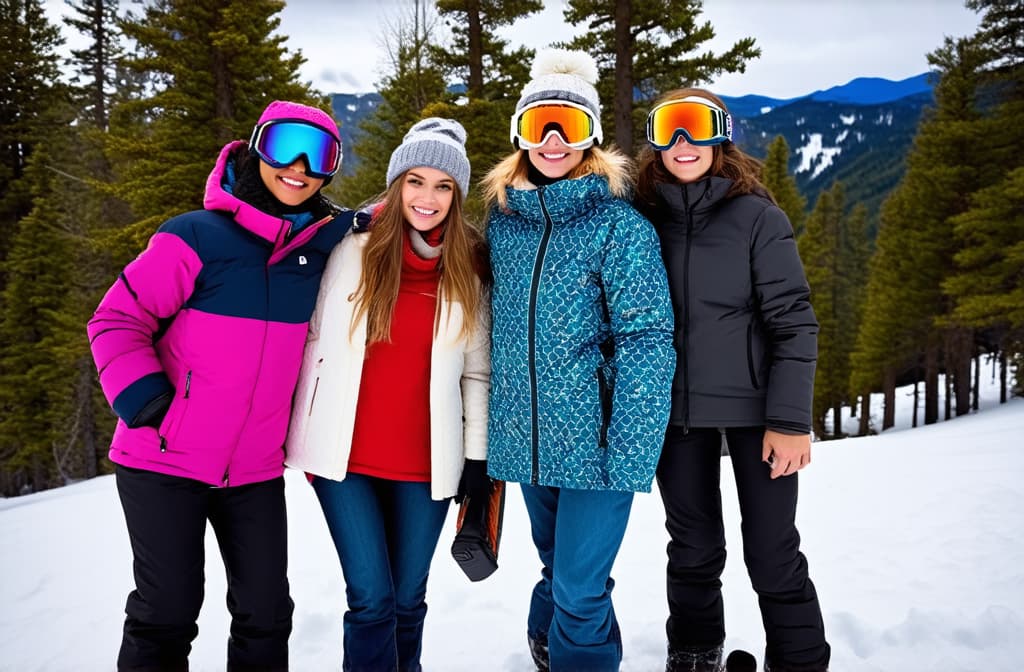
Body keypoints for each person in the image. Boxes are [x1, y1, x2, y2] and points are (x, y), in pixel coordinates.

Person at [88, 100, 353, 671]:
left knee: (266, 613)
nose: (300, 166)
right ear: (256, 147)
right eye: (286, 146)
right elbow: (115, 321)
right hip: (163, 461)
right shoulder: (196, 236)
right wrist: (150, 404)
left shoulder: (317, 250)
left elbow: (372, 225)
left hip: (253, 469)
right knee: (167, 611)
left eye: (321, 154)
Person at [482, 49, 675, 672]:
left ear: (591, 137)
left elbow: (648, 339)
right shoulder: (504, 225)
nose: (555, 141)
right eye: (541, 127)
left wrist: (629, 447)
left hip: (598, 444)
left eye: (570, 125)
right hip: (528, 439)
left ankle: (575, 655)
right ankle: (549, 643)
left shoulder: (620, 227)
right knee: (556, 569)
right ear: (521, 136)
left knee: (579, 586)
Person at [634, 88, 832, 672]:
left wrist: (791, 420)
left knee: (772, 551)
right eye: (670, 127)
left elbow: (794, 323)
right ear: (654, 139)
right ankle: (694, 654)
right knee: (693, 549)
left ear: (720, 135)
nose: (683, 142)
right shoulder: (642, 220)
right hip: (674, 414)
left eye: (696, 127)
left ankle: (798, 661)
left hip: (757, 413)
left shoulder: (757, 217)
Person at [284, 117, 491, 672]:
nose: (427, 197)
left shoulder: (468, 266)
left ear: (457, 195)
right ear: (397, 182)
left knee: (407, 601)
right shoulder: (348, 246)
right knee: (371, 599)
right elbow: (304, 337)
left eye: (443, 186)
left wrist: (476, 459)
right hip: (343, 457)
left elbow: (477, 374)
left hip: (427, 466)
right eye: (416, 181)